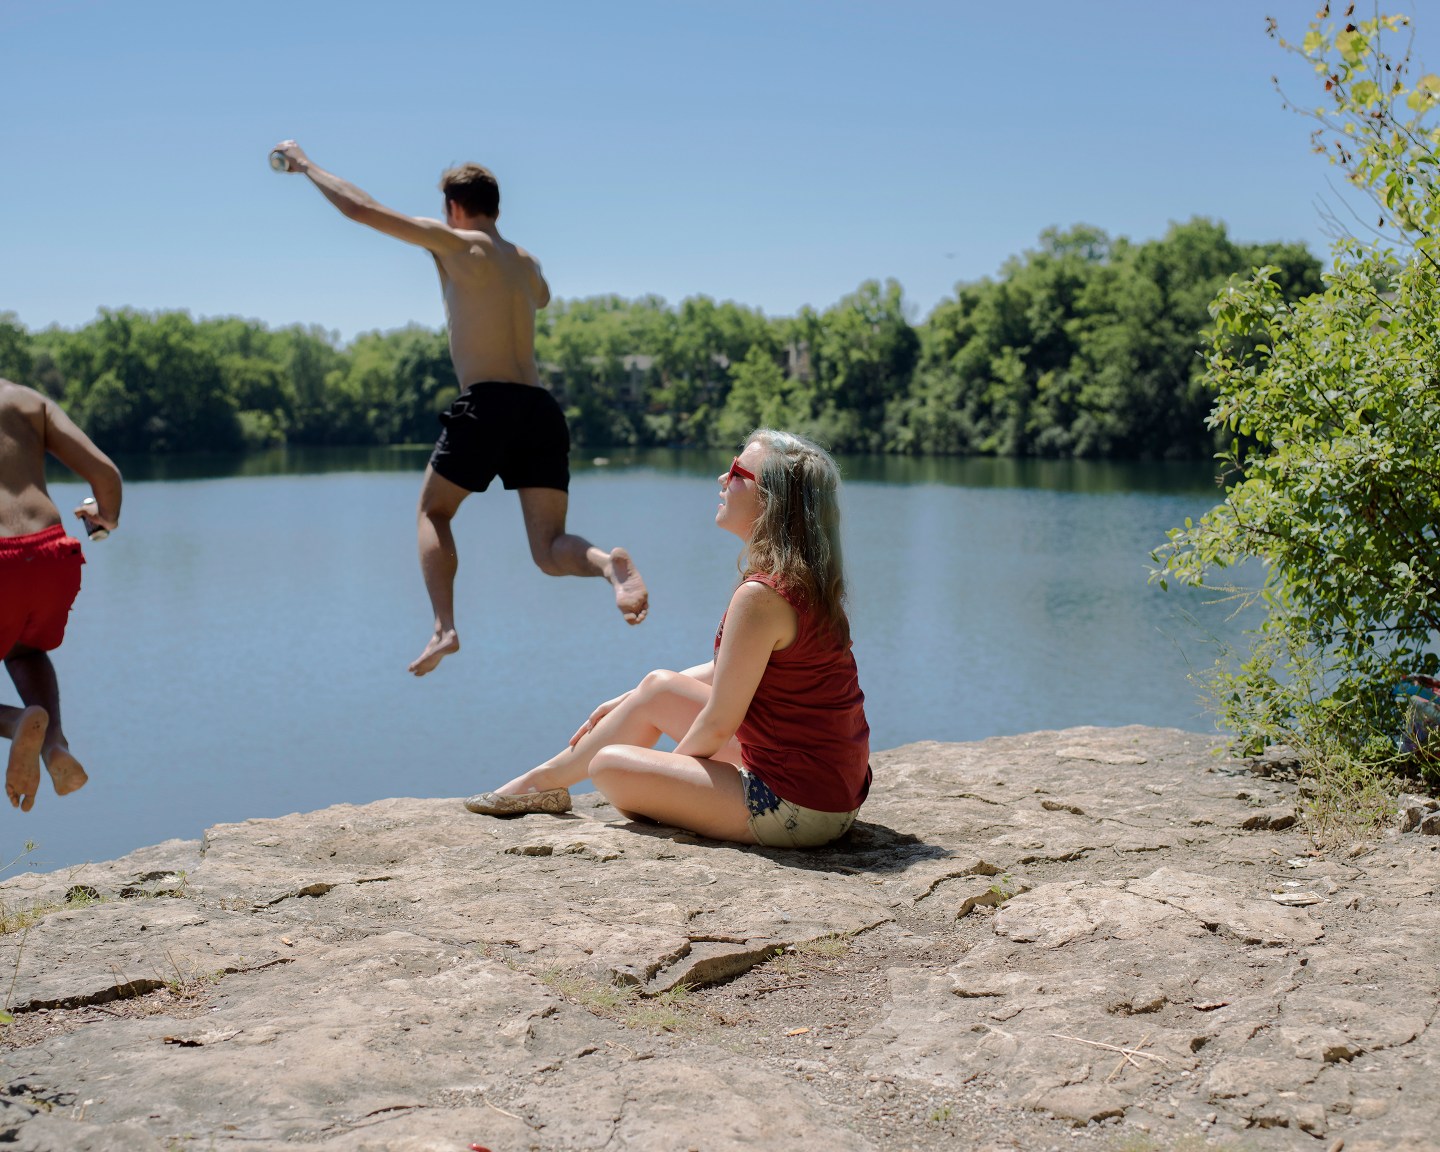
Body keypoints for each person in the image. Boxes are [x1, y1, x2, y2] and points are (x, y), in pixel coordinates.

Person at [270, 141, 649, 676]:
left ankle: (444, 626)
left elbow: (361, 210)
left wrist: (306, 166)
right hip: (539, 408)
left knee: (433, 511)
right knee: (549, 549)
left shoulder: (454, 243)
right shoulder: (527, 263)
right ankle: (606, 564)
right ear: (497, 206)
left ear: (453, 206)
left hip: (487, 403)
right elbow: (541, 297)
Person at [465, 430, 870, 849]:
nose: (720, 478)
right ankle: (541, 782)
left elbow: (717, 724)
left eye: (735, 471)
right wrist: (632, 699)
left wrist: (664, 772)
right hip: (825, 791)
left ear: (769, 500)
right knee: (658, 685)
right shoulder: (801, 583)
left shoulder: (762, 596)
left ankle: (554, 782)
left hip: (797, 809)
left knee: (609, 766)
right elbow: (727, 671)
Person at [0, 379, 122, 812]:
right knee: (24, 651)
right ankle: (53, 746)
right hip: (50, 554)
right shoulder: (28, 401)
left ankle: (15, 722)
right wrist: (103, 520)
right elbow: (105, 474)